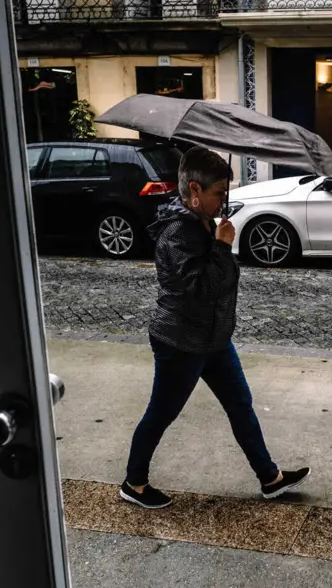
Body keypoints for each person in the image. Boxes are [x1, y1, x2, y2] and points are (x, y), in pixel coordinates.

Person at [121, 148, 310, 509]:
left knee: (240, 403)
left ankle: (269, 478)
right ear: (194, 189)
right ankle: (134, 482)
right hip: (181, 341)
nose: (224, 198)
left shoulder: (202, 222)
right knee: (161, 413)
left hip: (214, 338)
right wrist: (222, 247)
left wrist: (217, 239)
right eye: (218, 192)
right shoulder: (177, 232)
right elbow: (201, 289)